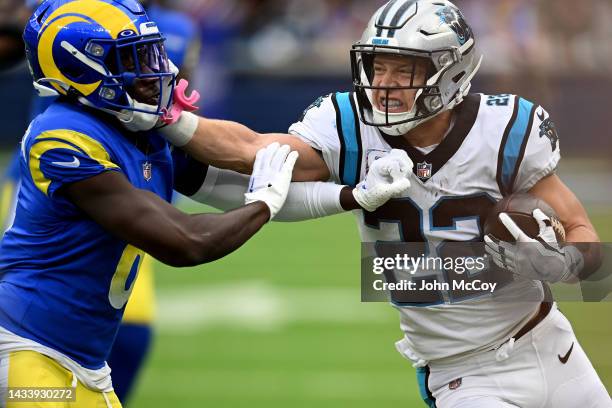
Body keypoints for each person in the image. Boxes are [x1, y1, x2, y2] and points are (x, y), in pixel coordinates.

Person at [125, 1, 611, 407]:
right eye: (380, 66)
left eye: (406, 69)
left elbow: (584, 237)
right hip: (465, 375)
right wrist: (166, 118)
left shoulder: (504, 130)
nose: (385, 83)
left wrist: (564, 261)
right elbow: (254, 152)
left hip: (551, 343)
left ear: (453, 71)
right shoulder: (350, 124)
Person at [0, 1, 411, 406]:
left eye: (151, 52)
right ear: (80, 67)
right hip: (27, 347)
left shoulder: (138, 125)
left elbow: (233, 189)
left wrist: (351, 196)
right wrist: (261, 204)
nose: (157, 68)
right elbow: (184, 242)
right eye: (134, 58)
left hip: (81, 361)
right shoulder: (63, 137)